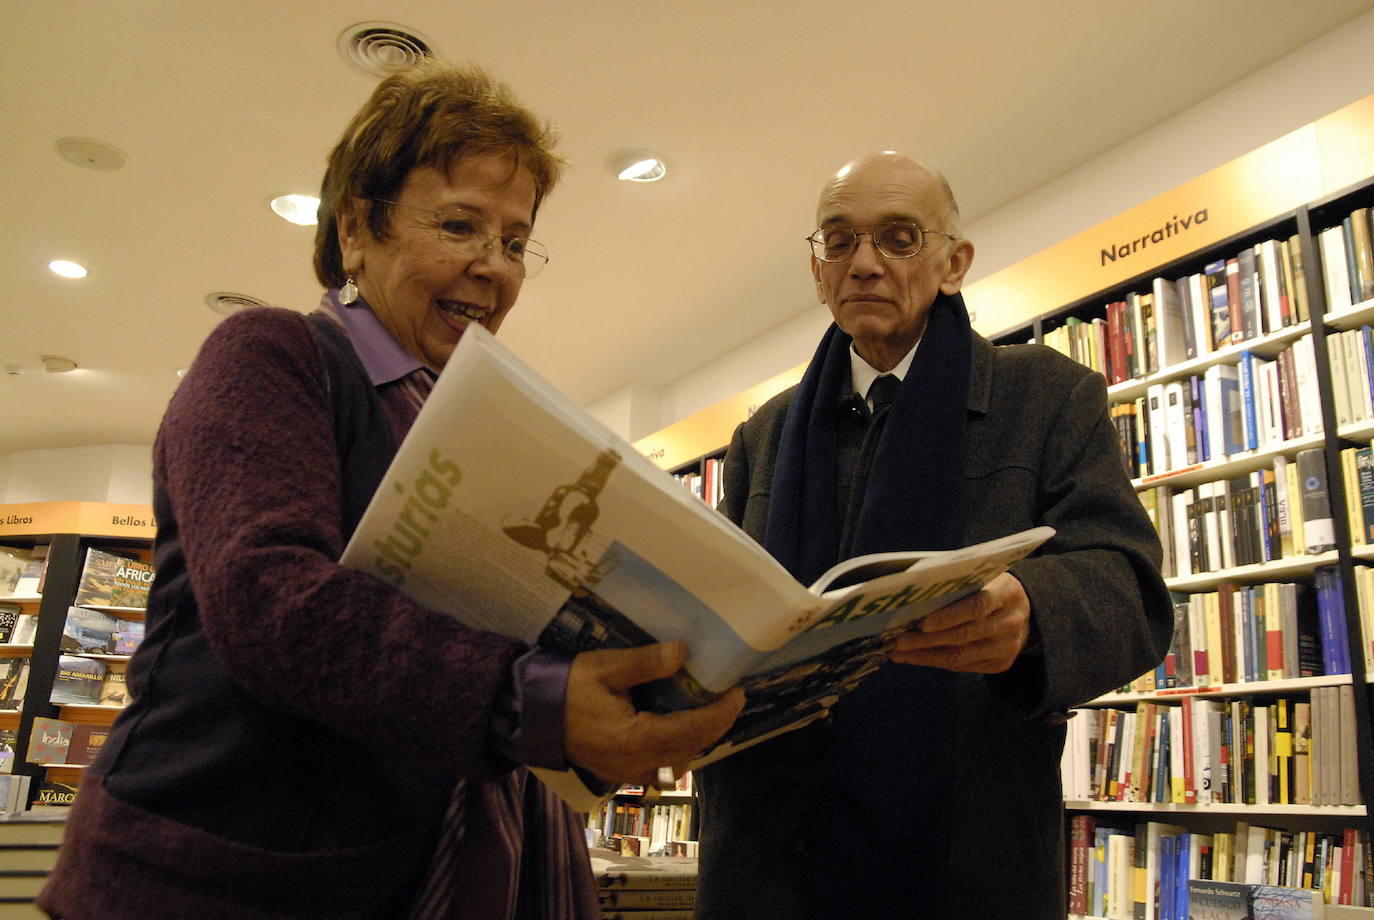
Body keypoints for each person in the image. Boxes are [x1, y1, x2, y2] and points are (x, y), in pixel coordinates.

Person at [39, 62, 743, 920]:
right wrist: (532, 701)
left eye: (516, 241)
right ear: (353, 233)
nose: (494, 267)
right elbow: (268, 597)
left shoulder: (486, 425)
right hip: (213, 881)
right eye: (460, 225)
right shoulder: (271, 355)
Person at [694, 152, 1174, 920]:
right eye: (839, 241)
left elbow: (1131, 588)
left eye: (898, 236)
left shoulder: (1047, 397)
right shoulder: (766, 435)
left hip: (965, 859)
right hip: (766, 859)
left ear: (955, 262)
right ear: (817, 270)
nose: (865, 264)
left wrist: (1032, 608)